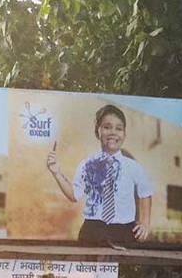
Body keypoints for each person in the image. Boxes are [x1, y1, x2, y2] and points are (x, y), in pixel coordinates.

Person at [46, 104, 153, 246]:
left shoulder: (133, 167)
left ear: (124, 134)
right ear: (98, 131)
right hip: (92, 231)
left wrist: (145, 222)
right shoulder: (87, 165)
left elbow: (145, 193)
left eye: (119, 128)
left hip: (124, 232)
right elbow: (74, 195)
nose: (113, 132)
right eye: (107, 127)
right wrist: (56, 172)